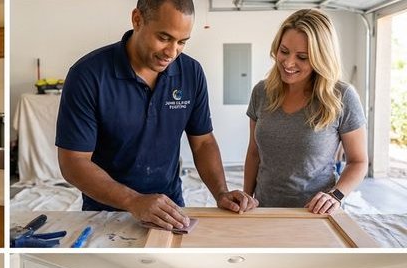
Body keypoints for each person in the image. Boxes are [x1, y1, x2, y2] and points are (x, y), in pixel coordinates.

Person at [56, 0, 257, 231]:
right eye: (164, 38)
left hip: (169, 206)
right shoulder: (88, 75)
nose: (172, 53)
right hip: (105, 213)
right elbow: (73, 162)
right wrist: (133, 200)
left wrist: (220, 192)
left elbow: (203, 142)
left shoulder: (191, 73)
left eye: (182, 42)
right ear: (137, 19)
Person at [243, 9, 368, 214]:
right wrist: (247, 197)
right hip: (264, 211)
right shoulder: (261, 92)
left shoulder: (342, 96)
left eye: (302, 57)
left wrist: (335, 195)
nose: (289, 63)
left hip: (315, 215)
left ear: (322, 58)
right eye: (284, 51)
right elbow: (253, 152)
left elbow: (358, 161)